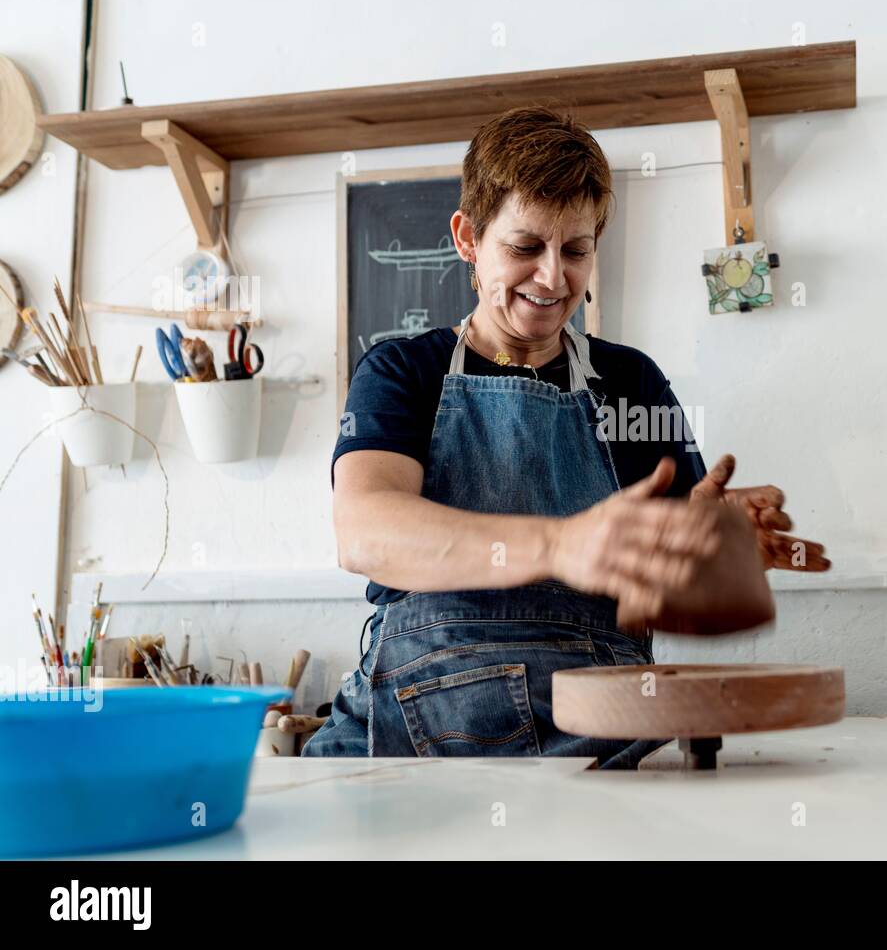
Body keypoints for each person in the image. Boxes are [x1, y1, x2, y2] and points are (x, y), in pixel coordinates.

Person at [305, 105, 829, 766]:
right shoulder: (402, 371)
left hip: (594, 729)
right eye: (525, 247)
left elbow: (660, 593)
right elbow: (365, 533)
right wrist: (560, 543)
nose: (554, 278)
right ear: (468, 238)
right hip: (411, 731)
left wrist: (712, 542)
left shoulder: (629, 380)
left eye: (575, 249)